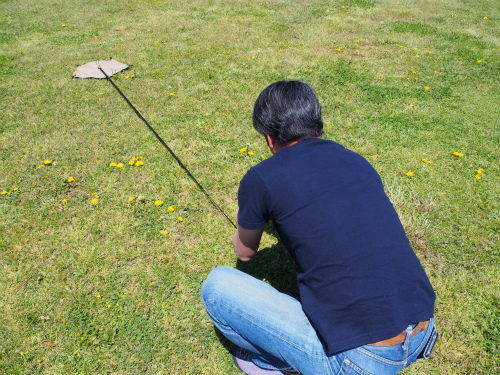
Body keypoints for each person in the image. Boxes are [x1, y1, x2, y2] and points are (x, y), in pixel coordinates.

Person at [201, 81, 437, 375]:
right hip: (423, 330)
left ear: (270, 138)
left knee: (217, 285)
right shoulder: (357, 161)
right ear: (317, 124)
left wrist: (243, 218)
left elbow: (245, 251)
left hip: (362, 361)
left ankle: (276, 365)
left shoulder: (261, 177)